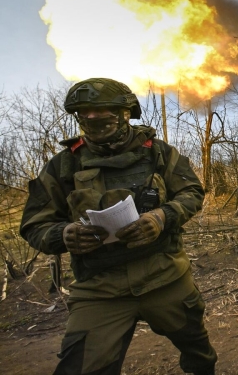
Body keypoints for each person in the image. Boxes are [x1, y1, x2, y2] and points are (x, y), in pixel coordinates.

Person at [20, 78, 217, 375]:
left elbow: (192, 193)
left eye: (103, 114)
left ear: (125, 114)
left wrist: (161, 218)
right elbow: (34, 224)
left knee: (198, 351)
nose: (93, 120)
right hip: (99, 290)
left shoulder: (158, 153)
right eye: (85, 115)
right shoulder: (63, 166)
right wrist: (65, 235)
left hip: (164, 277)